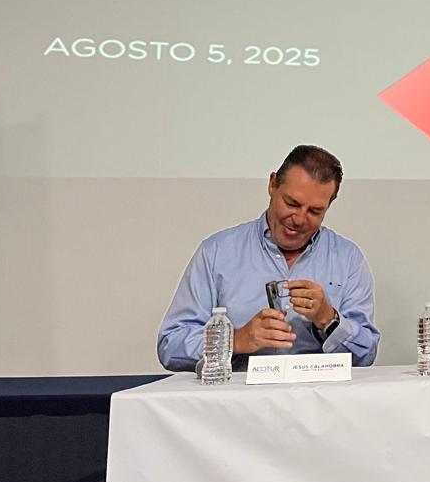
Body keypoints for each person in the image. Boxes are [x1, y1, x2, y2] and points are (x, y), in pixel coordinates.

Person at [157, 145, 379, 371]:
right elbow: (170, 344)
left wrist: (328, 319)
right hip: (239, 392)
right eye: (292, 203)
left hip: (320, 392)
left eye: (315, 211)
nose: (299, 219)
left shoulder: (348, 259)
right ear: (272, 185)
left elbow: (366, 355)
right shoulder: (216, 252)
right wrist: (235, 341)